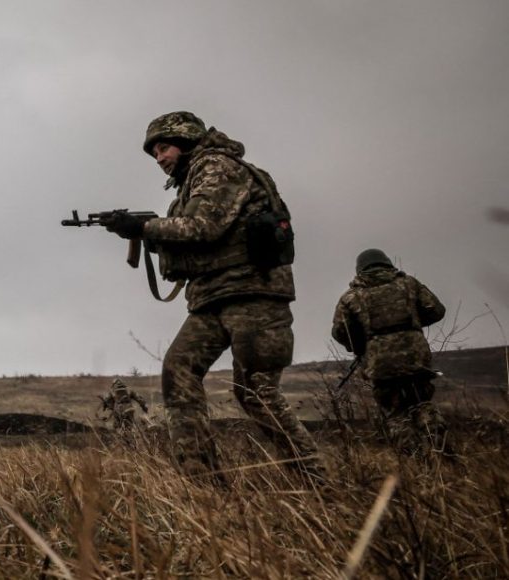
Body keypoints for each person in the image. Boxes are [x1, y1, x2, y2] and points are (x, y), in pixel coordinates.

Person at [101, 111, 321, 481]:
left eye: (164, 148)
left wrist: (142, 226)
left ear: (186, 142)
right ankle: (201, 482)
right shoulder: (190, 182)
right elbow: (192, 243)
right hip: (213, 297)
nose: (160, 158)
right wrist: (145, 234)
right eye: (154, 153)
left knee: (256, 391)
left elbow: (204, 227)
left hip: (252, 293)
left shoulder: (217, 167)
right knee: (178, 370)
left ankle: (317, 480)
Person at [331, 249, 449, 456]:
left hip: (381, 364)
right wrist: (413, 325)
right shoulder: (409, 284)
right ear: (387, 263)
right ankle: (441, 452)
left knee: (396, 413)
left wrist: (361, 344)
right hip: (416, 359)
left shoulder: (351, 297)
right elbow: (436, 310)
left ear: (360, 270)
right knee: (423, 403)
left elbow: (341, 332)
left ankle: (415, 461)